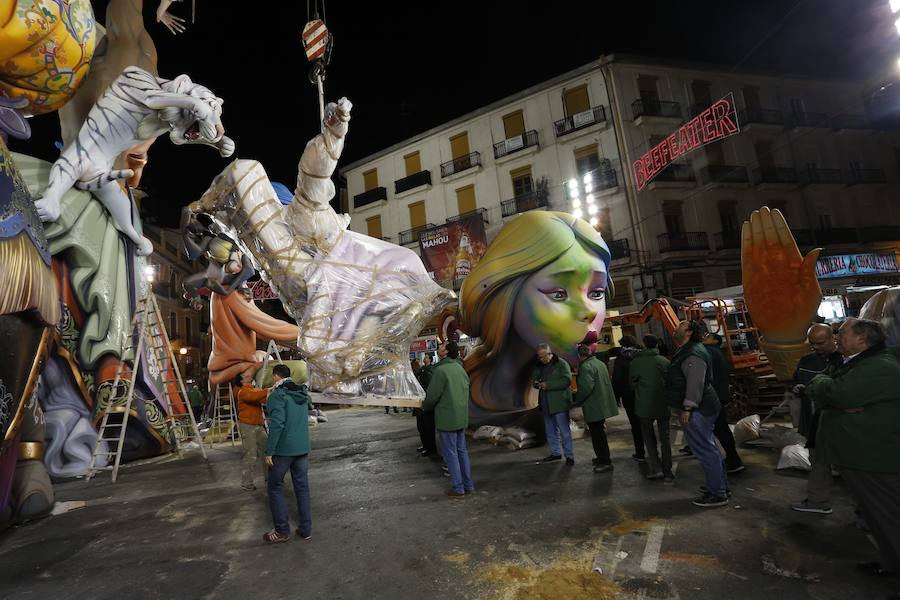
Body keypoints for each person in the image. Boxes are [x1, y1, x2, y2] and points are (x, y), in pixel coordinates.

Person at [453, 211, 612, 421]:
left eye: (596, 293)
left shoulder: (554, 368)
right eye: (559, 294)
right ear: (507, 294)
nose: (590, 311)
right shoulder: (476, 385)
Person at [805, 319, 900, 588]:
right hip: (858, 456)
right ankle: (891, 562)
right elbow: (825, 387)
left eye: (842, 333)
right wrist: (828, 389)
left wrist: (829, 391)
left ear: (862, 339)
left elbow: (837, 393)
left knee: (890, 518)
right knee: (876, 518)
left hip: (875, 457)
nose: (837, 337)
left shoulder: (879, 367)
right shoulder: (856, 363)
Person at [665, 320, 728, 507]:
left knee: (706, 451)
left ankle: (717, 493)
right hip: (701, 406)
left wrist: (687, 408)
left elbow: (695, 383)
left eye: (680, 326)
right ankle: (719, 486)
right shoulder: (688, 350)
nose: (675, 328)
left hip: (699, 409)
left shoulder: (693, 353)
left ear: (688, 332)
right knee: (710, 449)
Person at [790, 323, 842, 515]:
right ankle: (818, 501)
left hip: (837, 423)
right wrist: (796, 388)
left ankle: (869, 510)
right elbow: (795, 380)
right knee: (818, 462)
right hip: (813, 422)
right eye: (812, 343)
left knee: (850, 467)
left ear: (832, 338)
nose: (816, 347)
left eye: (820, 343)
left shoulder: (843, 361)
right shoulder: (806, 361)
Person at [263, 364, 313, 544]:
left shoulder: (277, 396)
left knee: (274, 487)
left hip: (284, 450)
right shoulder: (302, 394)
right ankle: (306, 529)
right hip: (302, 448)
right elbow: (309, 408)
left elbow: (277, 424)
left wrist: (270, 451)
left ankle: (282, 531)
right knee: (302, 487)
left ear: (275, 377)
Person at [422, 341, 473, 499]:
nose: (439, 348)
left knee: (450, 454)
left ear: (445, 352)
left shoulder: (441, 371)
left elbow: (432, 397)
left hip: (447, 418)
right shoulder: (460, 368)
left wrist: (424, 406)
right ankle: (468, 484)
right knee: (462, 452)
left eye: (441, 347)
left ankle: (458, 488)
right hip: (460, 417)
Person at [631, 334, 674, 482]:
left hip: (644, 406)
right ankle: (668, 471)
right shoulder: (663, 361)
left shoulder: (636, 363)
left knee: (649, 439)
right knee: (665, 438)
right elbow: (671, 382)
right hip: (663, 403)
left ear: (643, 345)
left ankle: (656, 469)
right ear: (657, 345)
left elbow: (632, 384)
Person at [702, 330, 744, 474]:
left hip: (713, 396)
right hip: (719, 394)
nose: (705, 337)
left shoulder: (709, 352)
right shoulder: (717, 352)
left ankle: (733, 461)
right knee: (722, 428)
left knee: (719, 429)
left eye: (708, 337)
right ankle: (732, 458)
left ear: (715, 341)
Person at [573, 345, 618, 473]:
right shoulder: (599, 363)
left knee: (598, 435)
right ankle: (601, 458)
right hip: (602, 403)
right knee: (599, 433)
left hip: (594, 405)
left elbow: (586, 388)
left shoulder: (586, 367)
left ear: (579, 356)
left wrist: (577, 398)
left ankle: (605, 461)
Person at [531, 343, 575, 466]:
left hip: (559, 403)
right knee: (550, 431)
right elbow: (534, 379)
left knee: (564, 431)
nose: (541, 359)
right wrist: (536, 383)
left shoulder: (561, 364)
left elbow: (567, 380)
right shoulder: (539, 365)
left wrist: (549, 385)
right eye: (539, 357)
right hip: (545, 404)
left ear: (550, 354)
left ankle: (569, 456)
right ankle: (556, 453)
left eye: (543, 356)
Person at [612, 336, 645, 462]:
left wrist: (616, 396)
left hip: (628, 396)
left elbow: (617, 379)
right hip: (642, 394)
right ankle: (653, 452)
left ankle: (640, 452)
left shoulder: (620, 360)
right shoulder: (641, 356)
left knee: (635, 425)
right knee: (646, 424)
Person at [234, 376, 269, 491]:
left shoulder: (253, 390)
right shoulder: (243, 392)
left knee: (267, 450)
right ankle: (247, 482)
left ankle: (270, 477)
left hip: (258, 425)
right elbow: (254, 397)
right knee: (251, 454)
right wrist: (269, 389)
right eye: (245, 376)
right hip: (247, 426)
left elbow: (262, 399)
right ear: (241, 381)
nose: (249, 375)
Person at [415, 354, 438, 456]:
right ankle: (425, 446)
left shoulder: (430, 371)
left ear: (430, 360)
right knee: (421, 427)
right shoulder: (423, 370)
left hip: (426, 404)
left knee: (428, 428)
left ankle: (431, 449)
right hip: (420, 402)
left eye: (426, 357)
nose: (424, 358)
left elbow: (429, 387)